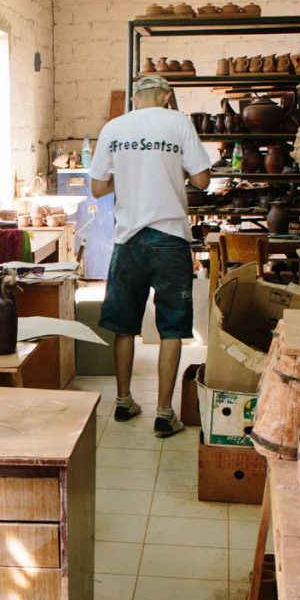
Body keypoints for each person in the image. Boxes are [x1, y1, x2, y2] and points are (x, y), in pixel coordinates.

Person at [87, 74, 212, 437]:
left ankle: (123, 401)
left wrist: (126, 177)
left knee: (124, 326)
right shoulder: (178, 123)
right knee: (171, 328)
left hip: (129, 240)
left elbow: (96, 188)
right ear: (167, 96)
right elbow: (203, 180)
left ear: (135, 97)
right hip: (170, 237)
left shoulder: (114, 127)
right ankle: (163, 413)